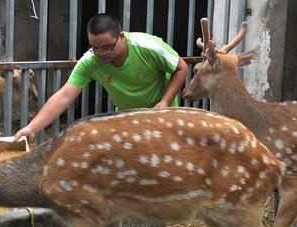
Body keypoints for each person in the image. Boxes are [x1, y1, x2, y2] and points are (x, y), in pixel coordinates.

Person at [14, 13, 188, 142]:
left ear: (121, 37)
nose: (101, 53)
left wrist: (164, 102)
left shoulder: (148, 46)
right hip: (127, 120)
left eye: (107, 47)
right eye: (95, 47)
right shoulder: (90, 61)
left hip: (163, 115)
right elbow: (65, 95)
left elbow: (181, 68)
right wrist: (32, 128)